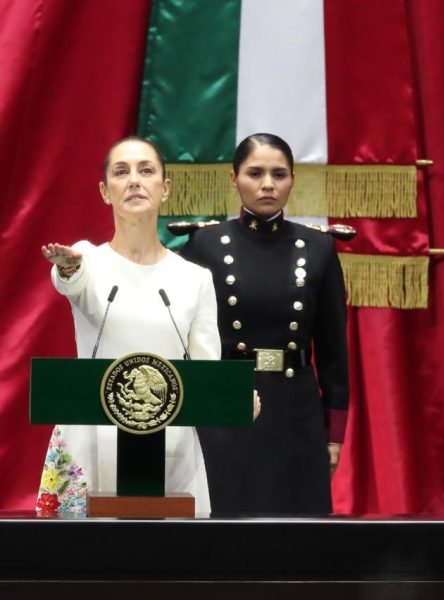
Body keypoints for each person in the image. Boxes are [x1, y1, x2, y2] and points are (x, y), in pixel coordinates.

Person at [37, 137, 221, 516]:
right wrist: (68, 267)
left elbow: (208, 376)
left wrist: (233, 398)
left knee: (172, 565)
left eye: (146, 170)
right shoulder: (86, 258)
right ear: (105, 192)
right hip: (89, 441)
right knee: (75, 565)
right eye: (121, 172)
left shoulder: (195, 279)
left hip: (166, 446)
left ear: (165, 189)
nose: (134, 180)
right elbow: (70, 279)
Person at [180, 132, 349, 515]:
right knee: (225, 526)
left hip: (295, 408)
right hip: (225, 403)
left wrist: (333, 435)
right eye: (255, 173)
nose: (268, 184)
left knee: (297, 535)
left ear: (293, 179)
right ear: (233, 178)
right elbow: (184, 340)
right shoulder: (205, 244)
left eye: (280, 174)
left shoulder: (319, 248)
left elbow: (334, 351)